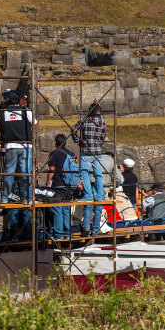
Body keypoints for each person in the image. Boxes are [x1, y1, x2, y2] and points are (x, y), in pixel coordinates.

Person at [71, 103, 107, 237]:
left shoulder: (85, 120)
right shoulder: (102, 121)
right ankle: (99, 195)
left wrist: (78, 140)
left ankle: (88, 194)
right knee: (98, 175)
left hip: (86, 151)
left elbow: (73, 129)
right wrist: (99, 143)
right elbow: (103, 135)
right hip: (97, 151)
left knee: (84, 173)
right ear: (98, 111)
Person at [45, 134, 78, 240]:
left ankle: (58, 233)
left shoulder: (54, 153)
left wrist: (48, 182)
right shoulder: (72, 154)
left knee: (57, 209)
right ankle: (67, 233)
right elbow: (76, 166)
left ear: (55, 142)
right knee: (66, 210)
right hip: (69, 185)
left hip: (57, 185)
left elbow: (52, 169)